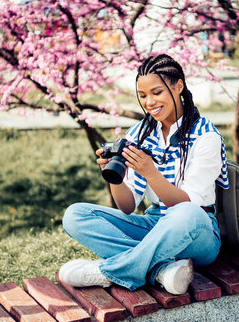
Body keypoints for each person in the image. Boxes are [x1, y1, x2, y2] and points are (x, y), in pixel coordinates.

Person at [58, 54, 229, 295]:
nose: (149, 102)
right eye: (143, 95)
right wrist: (112, 174)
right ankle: (162, 270)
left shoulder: (205, 136)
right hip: (154, 224)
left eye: (157, 92)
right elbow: (127, 206)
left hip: (197, 232)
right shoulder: (140, 133)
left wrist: (150, 172)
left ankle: (109, 271)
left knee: (186, 213)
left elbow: (187, 205)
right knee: (75, 215)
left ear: (178, 86)